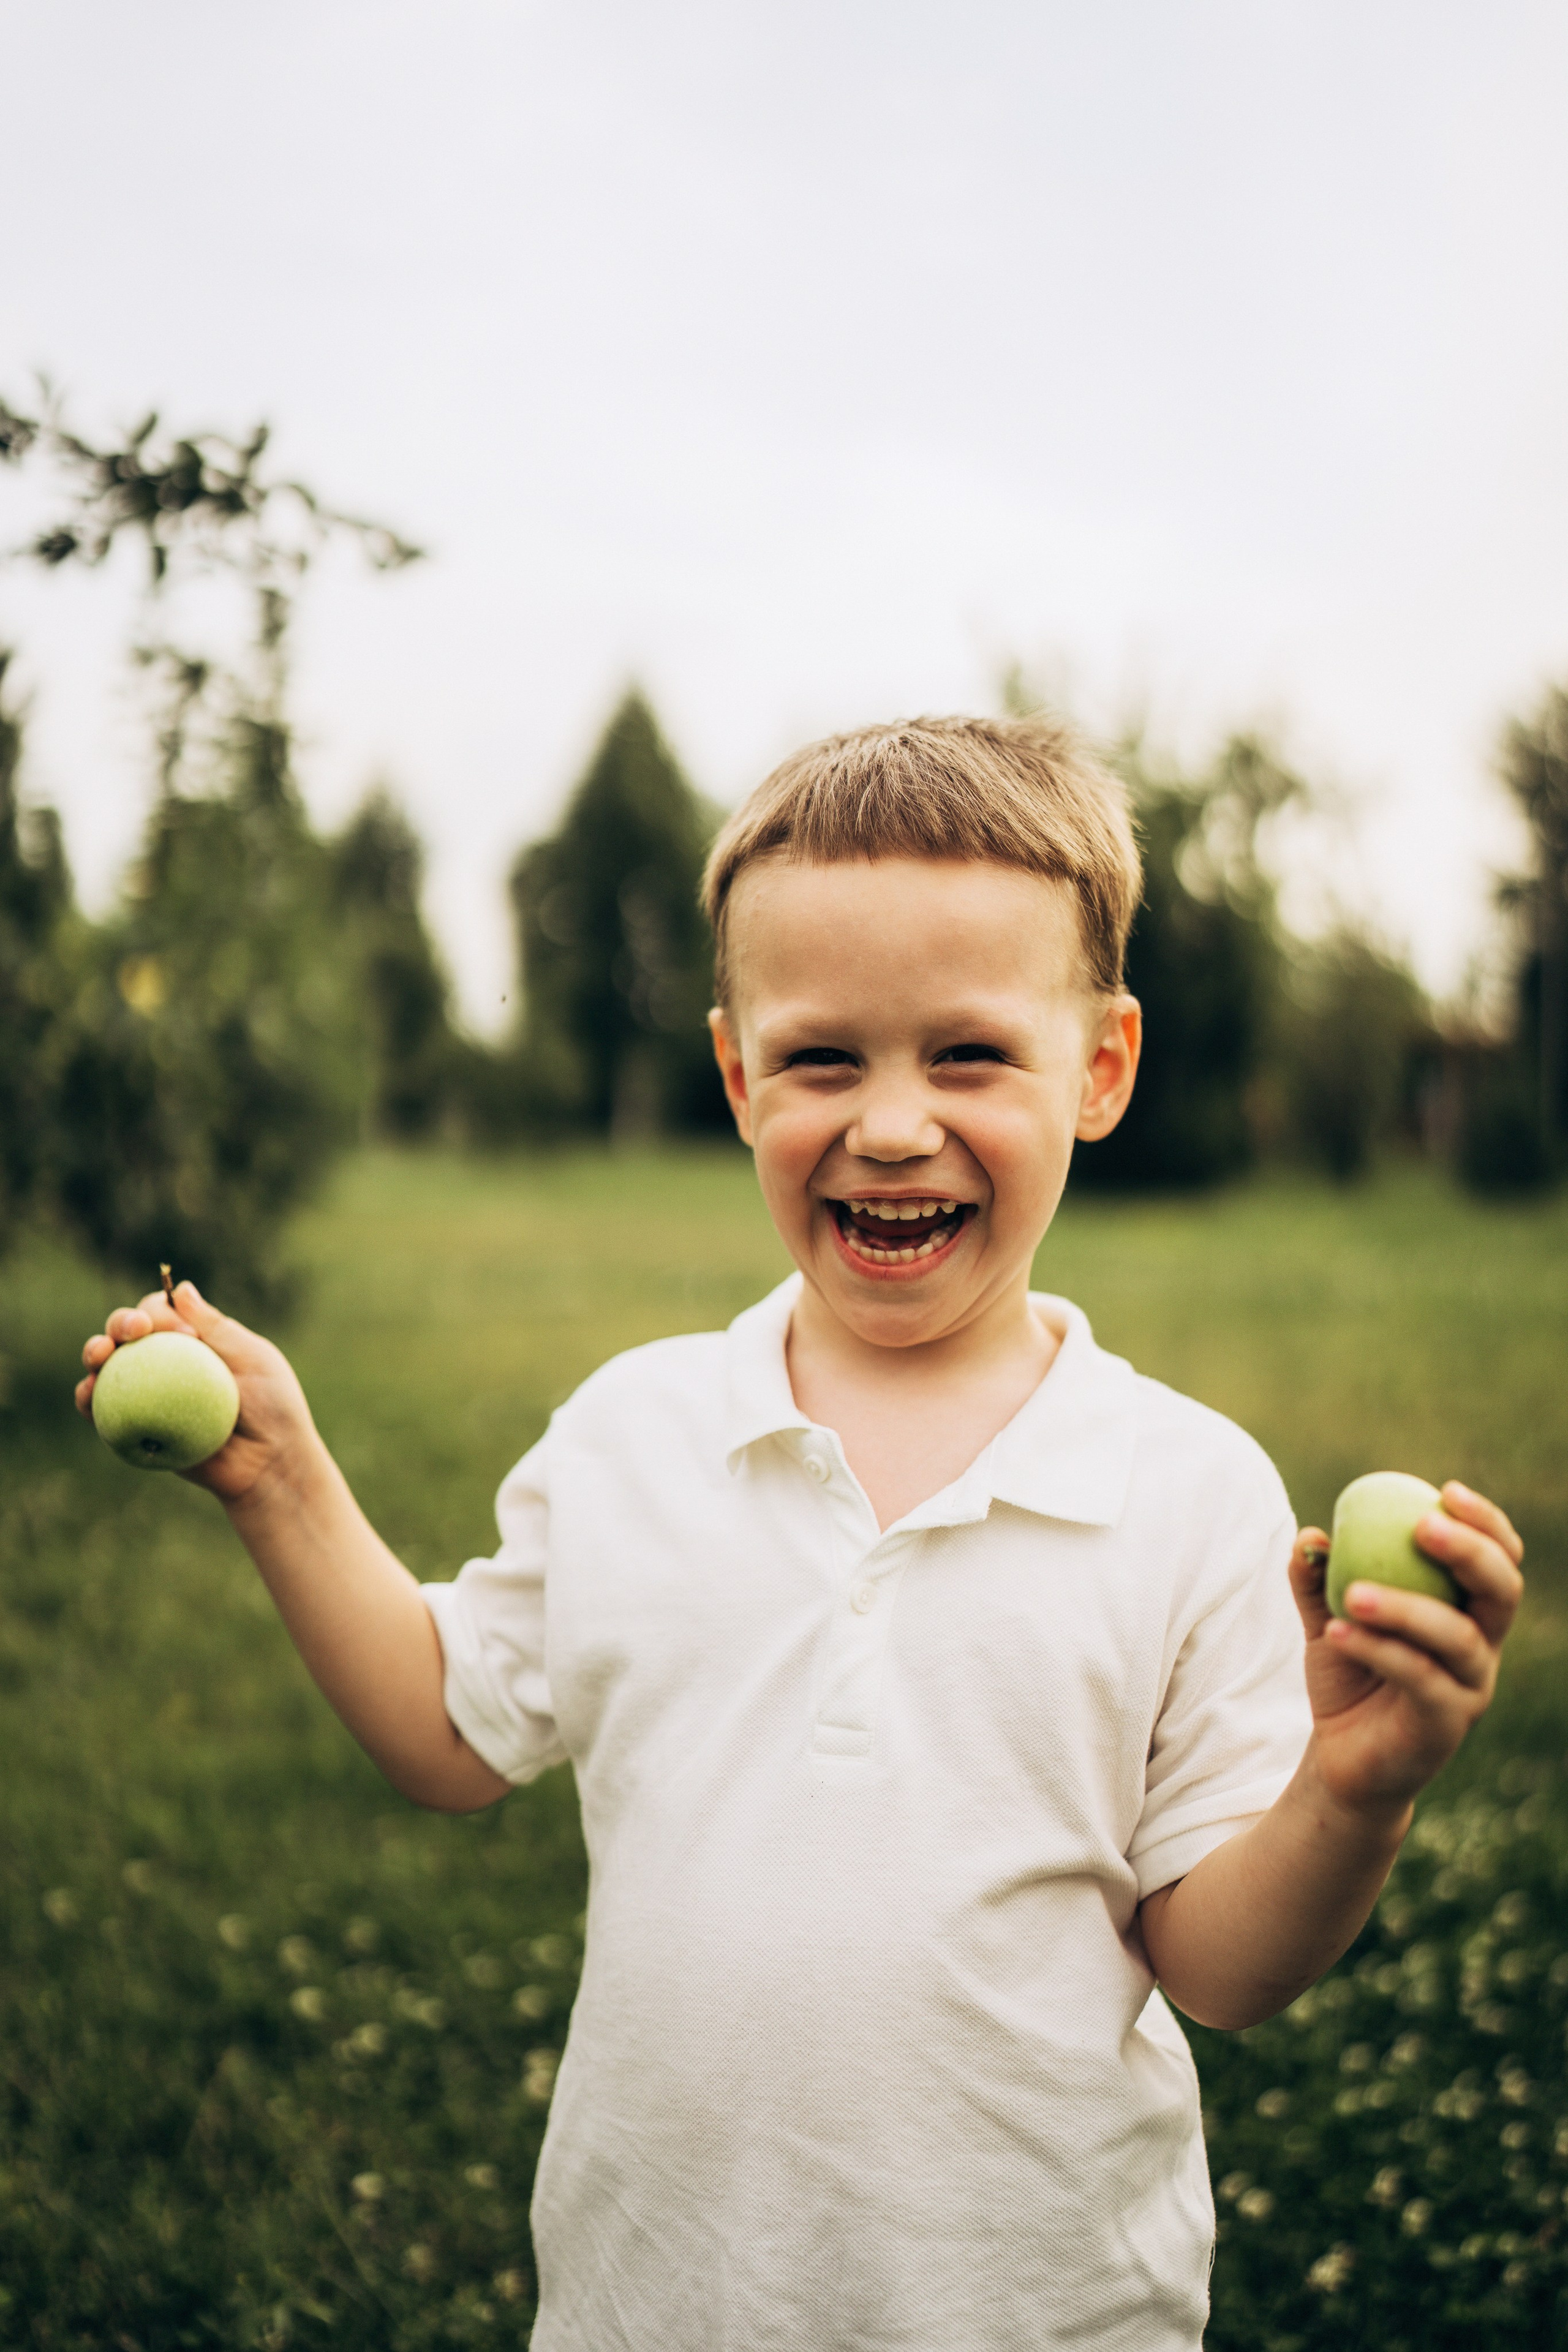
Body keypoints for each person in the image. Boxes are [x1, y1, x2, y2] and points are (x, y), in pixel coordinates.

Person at [77, 714, 1523, 2351]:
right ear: (738, 1071)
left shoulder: (1188, 1496)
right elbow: (446, 1731)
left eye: (968, 1056)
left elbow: (1219, 1964)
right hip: (659, 2303)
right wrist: (279, 1478)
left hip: (1041, 2317)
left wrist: (1353, 1787)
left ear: (1101, 1068)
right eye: (826, 1059)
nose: (892, 1126)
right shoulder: (636, 1434)